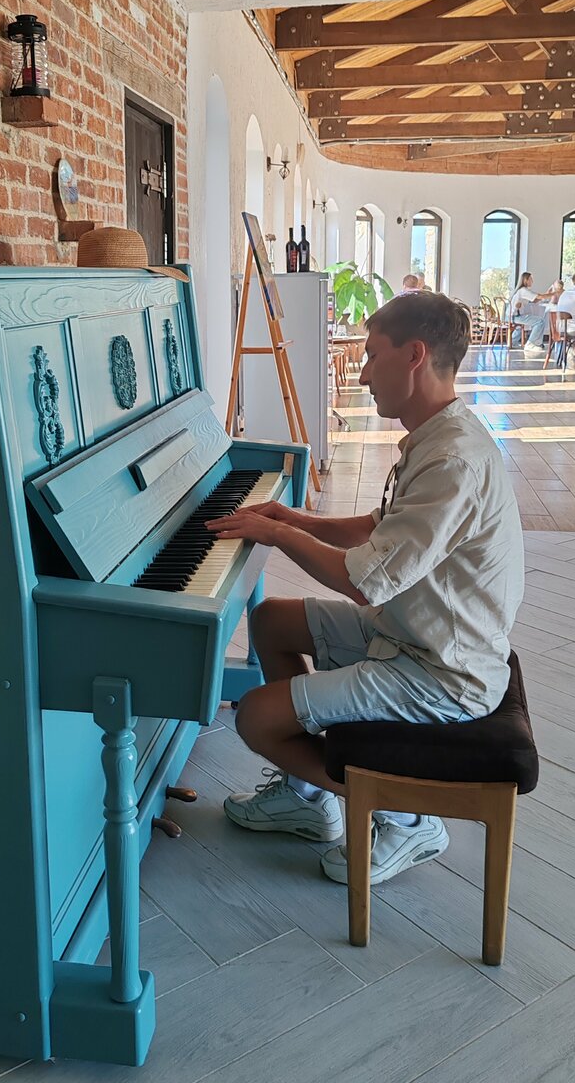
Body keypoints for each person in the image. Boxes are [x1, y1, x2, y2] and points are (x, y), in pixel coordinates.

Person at [207, 293, 524, 887]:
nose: (362, 373)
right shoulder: (435, 436)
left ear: (414, 355)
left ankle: (406, 817)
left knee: (254, 717)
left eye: (373, 356)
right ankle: (308, 799)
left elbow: (363, 580)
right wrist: (294, 519)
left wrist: (276, 533)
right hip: (412, 632)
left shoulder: (453, 460)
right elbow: (379, 530)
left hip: (444, 670)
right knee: (271, 621)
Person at [510, 272, 557, 347]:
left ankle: (512, 342)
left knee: (521, 326)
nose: (532, 281)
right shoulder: (523, 290)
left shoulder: (521, 290)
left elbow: (535, 300)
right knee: (540, 321)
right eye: (531, 279)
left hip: (513, 316)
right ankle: (532, 343)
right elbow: (540, 296)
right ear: (526, 280)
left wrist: (548, 292)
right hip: (516, 317)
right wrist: (555, 293)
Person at [555, 270, 575, 366]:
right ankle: (574, 351)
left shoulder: (565, 293)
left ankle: (572, 351)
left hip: (559, 329)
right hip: (573, 330)